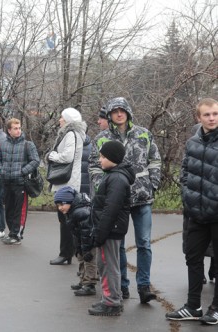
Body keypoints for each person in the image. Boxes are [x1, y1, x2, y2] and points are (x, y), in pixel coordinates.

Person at [89, 97, 161, 303]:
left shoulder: (143, 134)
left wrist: (152, 184)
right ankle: (121, 285)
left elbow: (155, 160)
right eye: (115, 111)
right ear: (110, 114)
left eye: (122, 110)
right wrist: (100, 188)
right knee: (117, 245)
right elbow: (94, 165)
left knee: (144, 243)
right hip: (116, 200)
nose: (119, 114)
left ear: (128, 112)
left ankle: (144, 286)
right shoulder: (102, 138)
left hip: (141, 197)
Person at [166, 98, 218, 325]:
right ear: (199, 118)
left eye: (215, 114)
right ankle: (193, 306)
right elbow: (185, 172)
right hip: (195, 213)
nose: (212, 118)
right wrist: (188, 196)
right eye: (207, 115)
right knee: (193, 258)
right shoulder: (191, 143)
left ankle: (215, 309)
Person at [88, 140, 135, 316]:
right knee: (109, 264)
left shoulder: (116, 178)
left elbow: (111, 208)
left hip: (109, 230)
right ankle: (112, 299)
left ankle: (111, 303)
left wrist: (100, 233)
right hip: (110, 229)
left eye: (103, 156)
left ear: (112, 158)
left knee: (107, 265)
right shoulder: (114, 175)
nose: (100, 160)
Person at [48, 108, 86, 265]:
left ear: (68, 120)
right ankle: (69, 252)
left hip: (66, 183)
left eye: (62, 117)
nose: (59, 120)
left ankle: (66, 254)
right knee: (66, 219)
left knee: (65, 220)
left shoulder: (71, 134)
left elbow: (67, 156)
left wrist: (52, 155)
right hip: (69, 182)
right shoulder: (74, 134)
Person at [0, 118, 39, 245]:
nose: (18, 130)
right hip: (6, 181)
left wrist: (22, 171)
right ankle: (11, 233)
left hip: (20, 182)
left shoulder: (28, 145)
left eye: (19, 128)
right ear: (9, 130)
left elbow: (35, 161)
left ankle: (16, 234)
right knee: (8, 209)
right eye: (15, 128)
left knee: (18, 210)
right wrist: (0, 169)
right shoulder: (3, 144)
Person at [54, 186, 97, 297]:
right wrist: (78, 247)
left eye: (61, 204)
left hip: (89, 242)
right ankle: (83, 281)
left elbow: (87, 232)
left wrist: (86, 249)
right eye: (58, 205)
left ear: (69, 201)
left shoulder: (81, 212)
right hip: (82, 241)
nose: (60, 208)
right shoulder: (72, 210)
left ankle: (90, 284)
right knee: (81, 259)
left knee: (89, 261)